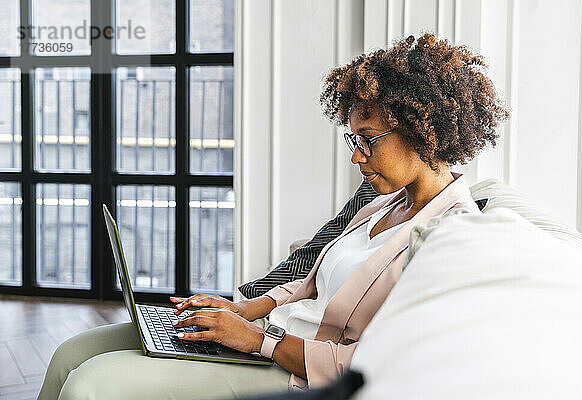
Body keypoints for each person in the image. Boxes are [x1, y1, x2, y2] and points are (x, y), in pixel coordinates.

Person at [38, 33, 509, 400]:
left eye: (368, 138)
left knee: (89, 384)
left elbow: (374, 362)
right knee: (70, 354)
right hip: (263, 334)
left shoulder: (450, 234)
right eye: (354, 139)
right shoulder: (384, 202)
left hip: (289, 370)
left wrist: (255, 341)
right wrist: (243, 309)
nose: (357, 156)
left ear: (422, 130)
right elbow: (310, 284)